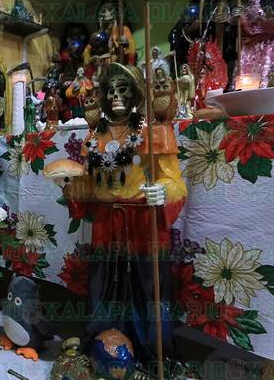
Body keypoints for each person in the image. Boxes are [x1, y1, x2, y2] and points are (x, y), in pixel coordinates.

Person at [64, 63, 186, 363]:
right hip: (106, 223)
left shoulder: (155, 130)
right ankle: (102, 350)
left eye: (124, 89)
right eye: (111, 91)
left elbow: (175, 182)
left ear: (136, 95)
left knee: (146, 287)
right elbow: (89, 186)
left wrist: (163, 191)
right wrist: (69, 187)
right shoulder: (95, 136)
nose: (117, 96)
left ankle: (150, 356)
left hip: (142, 222)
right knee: (102, 285)